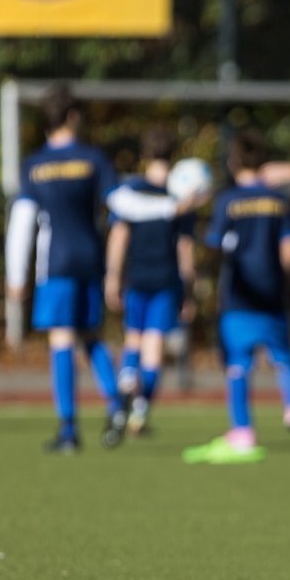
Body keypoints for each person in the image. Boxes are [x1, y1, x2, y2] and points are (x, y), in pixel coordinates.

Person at [182, 130, 290, 464]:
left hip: (238, 294)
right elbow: (288, 251)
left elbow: (214, 246)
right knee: (283, 357)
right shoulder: (279, 200)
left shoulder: (228, 200)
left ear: (233, 161)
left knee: (239, 364)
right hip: (272, 293)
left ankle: (242, 431)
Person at [4, 84, 122, 452]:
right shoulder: (92, 158)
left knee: (61, 338)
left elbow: (22, 222)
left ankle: (68, 429)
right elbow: (119, 203)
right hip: (90, 259)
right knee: (90, 334)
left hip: (55, 264)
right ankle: (117, 403)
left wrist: (15, 275)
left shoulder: (35, 165)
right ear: (74, 117)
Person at [103, 128, 198, 438]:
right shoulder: (180, 197)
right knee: (153, 346)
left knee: (133, 339)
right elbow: (185, 247)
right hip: (165, 280)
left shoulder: (131, 190)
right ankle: (140, 411)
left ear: (144, 157)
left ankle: (127, 379)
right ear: (173, 157)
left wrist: (113, 276)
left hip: (137, 277)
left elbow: (119, 236)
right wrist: (188, 289)